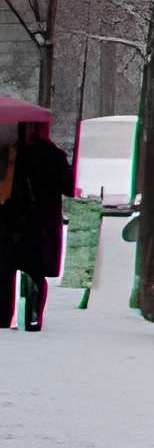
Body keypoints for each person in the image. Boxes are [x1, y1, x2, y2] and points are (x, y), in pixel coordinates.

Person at [0, 118, 77, 330]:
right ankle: (32, 319)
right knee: (35, 272)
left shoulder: (7, 154)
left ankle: (3, 319)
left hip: (10, 222)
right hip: (40, 224)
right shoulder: (52, 154)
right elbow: (69, 187)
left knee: (5, 273)